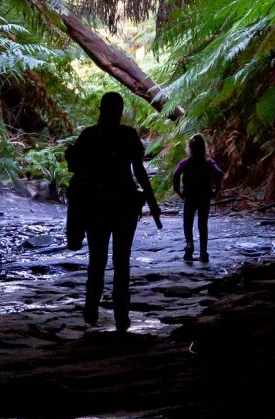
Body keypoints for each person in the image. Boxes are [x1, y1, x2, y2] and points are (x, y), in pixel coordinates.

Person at [65, 91, 162, 332]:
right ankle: (121, 315)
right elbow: (139, 171)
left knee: (96, 259)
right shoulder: (127, 135)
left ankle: (91, 309)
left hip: (96, 205)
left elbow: (77, 168)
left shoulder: (89, 135)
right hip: (124, 205)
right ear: (119, 112)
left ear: (100, 109)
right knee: (122, 261)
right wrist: (152, 202)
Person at [173, 133, 222, 262]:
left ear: (189, 147)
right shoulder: (208, 162)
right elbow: (218, 172)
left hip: (190, 196)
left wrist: (178, 190)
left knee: (187, 223)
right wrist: (216, 189)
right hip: (204, 196)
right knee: (202, 224)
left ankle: (189, 245)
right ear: (203, 147)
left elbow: (176, 174)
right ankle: (203, 253)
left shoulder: (185, 162)